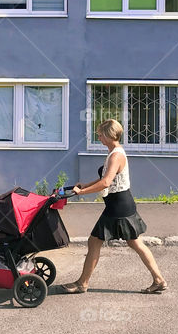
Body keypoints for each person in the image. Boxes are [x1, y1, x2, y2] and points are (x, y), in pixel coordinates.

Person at [59, 119, 167, 295]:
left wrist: (81, 193)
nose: (98, 137)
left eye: (100, 134)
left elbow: (106, 182)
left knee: (94, 241)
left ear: (109, 135)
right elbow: (105, 177)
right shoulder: (114, 153)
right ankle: (159, 280)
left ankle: (82, 283)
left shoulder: (116, 155)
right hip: (121, 204)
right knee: (135, 243)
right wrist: (85, 185)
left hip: (118, 207)